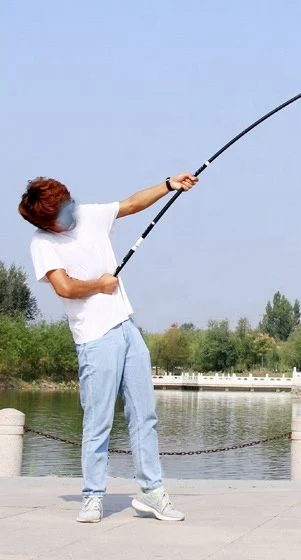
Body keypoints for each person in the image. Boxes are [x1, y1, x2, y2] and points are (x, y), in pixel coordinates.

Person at [18, 173, 198, 523]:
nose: (71, 212)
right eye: (61, 211)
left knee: (145, 416)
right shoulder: (42, 243)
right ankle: (93, 495)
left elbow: (131, 204)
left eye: (68, 203)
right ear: (47, 221)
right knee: (98, 421)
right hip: (94, 338)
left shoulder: (87, 214)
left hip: (127, 329)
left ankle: (151, 491)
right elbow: (65, 288)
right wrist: (99, 285)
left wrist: (168, 185)